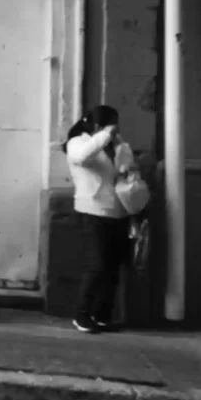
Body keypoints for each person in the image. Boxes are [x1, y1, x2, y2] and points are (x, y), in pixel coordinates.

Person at [64, 104, 132, 333]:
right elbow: (82, 158)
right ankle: (82, 314)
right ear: (96, 125)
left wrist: (122, 149)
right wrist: (104, 135)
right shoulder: (78, 143)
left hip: (118, 210)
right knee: (97, 265)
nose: (115, 129)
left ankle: (103, 314)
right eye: (110, 124)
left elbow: (127, 169)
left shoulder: (115, 145)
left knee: (113, 267)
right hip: (92, 211)